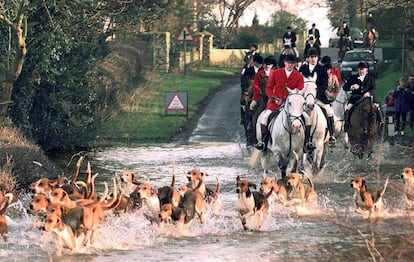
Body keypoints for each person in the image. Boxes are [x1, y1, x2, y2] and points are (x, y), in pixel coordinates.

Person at [255, 54, 304, 151]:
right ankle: (263, 142)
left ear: (295, 64)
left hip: (292, 105)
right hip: (275, 103)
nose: (290, 65)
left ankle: (307, 143)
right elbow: (268, 88)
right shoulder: (276, 73)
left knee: (306, 118)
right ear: (285, 63)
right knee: (265, 117)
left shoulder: (299, 76)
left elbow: (300, 90)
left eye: (292, 63)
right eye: (288, 63)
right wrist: (274, 97)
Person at [299, 47, 336, 148]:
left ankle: (332, 135)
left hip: (319, 97)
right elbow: (300, 83)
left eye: (314, 57)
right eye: (311, 57)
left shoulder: (322, 69)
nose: (313, 59)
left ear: (317, 58)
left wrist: (315, 92)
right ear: (308, 58)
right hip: (305, 97)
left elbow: (324, 84)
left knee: (329, 111)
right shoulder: (303, 69)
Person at [342, 61, 376, 140]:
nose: (361, 71)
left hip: (367, 99)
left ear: (366, 70)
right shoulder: (353, 78)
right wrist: (352, 87)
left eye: (363, 69)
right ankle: (346, 127)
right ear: (358, 70)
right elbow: (345, 87)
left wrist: (368, 93)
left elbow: (374, 89)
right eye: (360, 69)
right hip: (355, 99)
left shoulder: (370, 79)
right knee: (348, 109)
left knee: (376, 108)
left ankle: (380, 123)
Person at [249, 56, 277, 146]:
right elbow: (255, 85)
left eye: (270, 64)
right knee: (253, 109)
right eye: (267, 64)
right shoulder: (259, 73)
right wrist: (259, 91)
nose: (268, 66)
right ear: (264, 65)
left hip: (273, 97)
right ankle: (252, 128)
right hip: (261, 96)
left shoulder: (275, 73)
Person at [240, 54, 263, 125]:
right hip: (249, 90)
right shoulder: (248, 70)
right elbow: (243, 82)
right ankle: (244, 116)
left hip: (260, 91)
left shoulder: (262, 71)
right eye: (258, 63)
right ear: (255, 63)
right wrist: (245, 91)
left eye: (261, 64)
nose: (260, 65)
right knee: (243, 101)